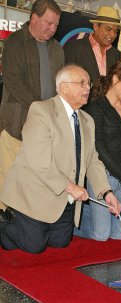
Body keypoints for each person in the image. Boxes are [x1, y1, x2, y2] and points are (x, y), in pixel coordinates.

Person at [0, 65, 121, 253]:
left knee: (60, 242)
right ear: (63, 87)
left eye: (88, 83)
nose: (88, 88)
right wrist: (72, 187)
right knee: (35, 245)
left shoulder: (88, 121)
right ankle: (5, 223)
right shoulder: (41, 110)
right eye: (82, 83)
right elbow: (40, 162)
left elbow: (92, 160)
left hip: (65, 197)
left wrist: (107, 193)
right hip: (33, 193)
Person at [0, 0, 64, 219]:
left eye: (56, 25)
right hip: (16, 123)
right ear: (34, 18)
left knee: (35, 177)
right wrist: (41, 109)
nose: (53, 29)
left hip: (45, 127)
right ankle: (5, 219)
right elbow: (14, 82)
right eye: (48, 23)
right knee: (9, 177)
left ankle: (27, 220)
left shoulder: (56, 48)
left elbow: (60, 85)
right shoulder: (15, 42)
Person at [74, 60, 121, 241]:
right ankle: (73, 218)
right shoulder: (96, 108)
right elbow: (99, 147)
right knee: (101, 235)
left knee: (119, 235)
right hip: (103, 177)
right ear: (114, 79)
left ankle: (93, 211)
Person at [64, 6, 121, 86]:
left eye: (116, 31)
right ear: (95, 26)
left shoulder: (116, 54)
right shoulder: (74, 48)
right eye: (108, 29)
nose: (113, 35)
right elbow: (67, 82)